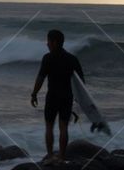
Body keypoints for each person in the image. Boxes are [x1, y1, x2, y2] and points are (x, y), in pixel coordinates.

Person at [31, 29, 84, 163]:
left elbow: (41, 78)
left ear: (54, 42)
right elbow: (81, 82)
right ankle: (61, 156)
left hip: (52, 97)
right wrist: (78, 102)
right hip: (67, 97)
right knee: (63, 127)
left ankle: (49, 156)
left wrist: (34, 94)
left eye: (48, 41)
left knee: (49, 126)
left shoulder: (48, 58)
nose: (47, 44)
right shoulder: (72, 59)